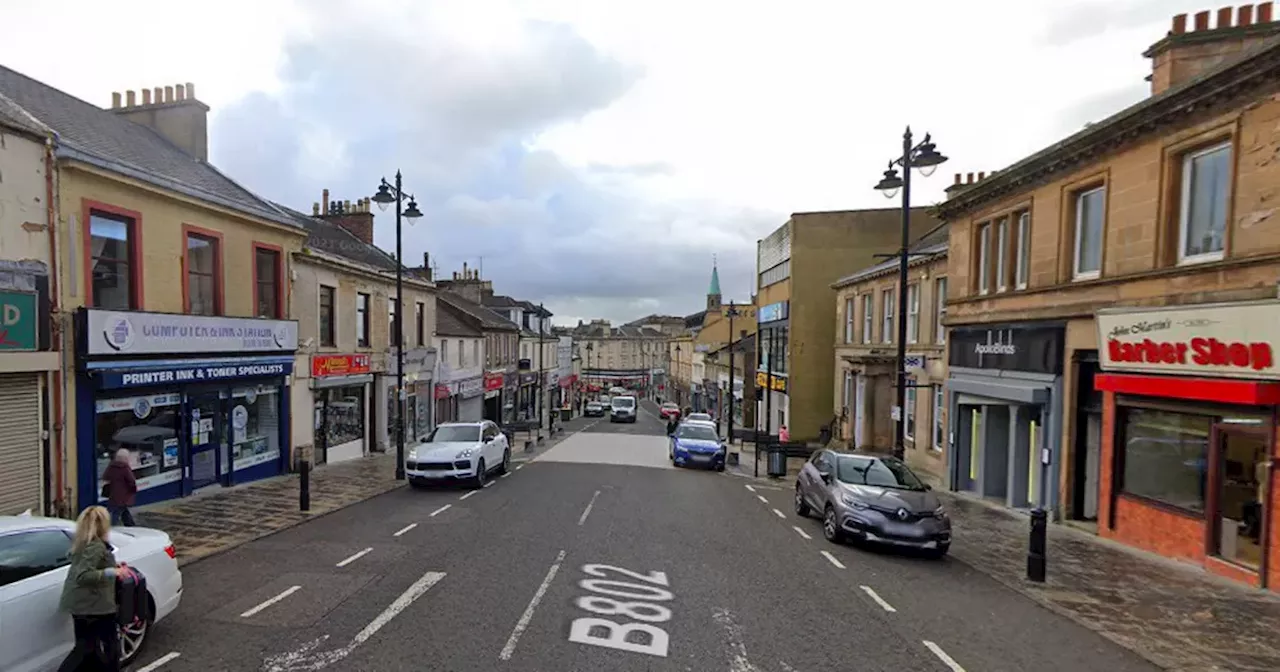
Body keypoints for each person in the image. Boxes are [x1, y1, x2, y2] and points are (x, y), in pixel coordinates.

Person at [58, 505, 125, 672]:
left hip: (80, 606)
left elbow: (90, 565)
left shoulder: (83, 543)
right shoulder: (95, 546)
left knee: (88, 648)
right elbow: (83, 575)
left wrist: (113, 566)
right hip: (95, 606)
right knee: (108, 648)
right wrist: (113, 572)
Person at [101, 449, 137, 527]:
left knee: (121, 511)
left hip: (114, 494)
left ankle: (131, 525)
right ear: (125, 458)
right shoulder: (125, 468)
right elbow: (131, 481)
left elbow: (105, 477)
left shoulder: (111, 466)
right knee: (116, 512)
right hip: (124, 495)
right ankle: (110, 527)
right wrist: (133, 490)